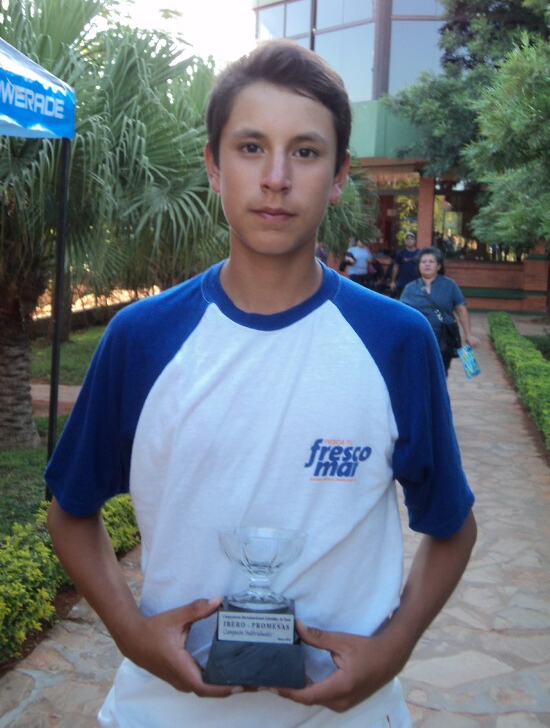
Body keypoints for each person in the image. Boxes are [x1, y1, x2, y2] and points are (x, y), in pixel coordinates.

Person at [45, 40, 476, 728]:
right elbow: (70, 512)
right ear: (214, 166)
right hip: (163, 712)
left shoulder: (395, 340)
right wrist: (132, 633)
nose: (276, 177)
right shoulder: (141, 337)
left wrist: (392, 650)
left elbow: (453, 528)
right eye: (250, 147)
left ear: (337, 176)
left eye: (305, 152)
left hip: (350, 715)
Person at [400, 246, 481, 375]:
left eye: (431, 262)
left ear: (438, 266)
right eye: (423, 261)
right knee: (418, 373)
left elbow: (461, 309)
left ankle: (438, 395)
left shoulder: (450, 285)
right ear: (418, 265)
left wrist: (468, 334)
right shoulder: (410, 288)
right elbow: (401, 314)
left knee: (440, 374)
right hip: (418, 338)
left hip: (443, 338)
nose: (427, 264)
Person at [390, 231, 419, 298]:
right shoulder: (400, 253)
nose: (409, 240)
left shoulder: (419, 253)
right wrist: (393, 281)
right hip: (402, 283)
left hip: (415, 283)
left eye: (412, 238)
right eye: (407, 239)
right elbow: (396, 267)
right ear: (405, 241)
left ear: (415, 240)